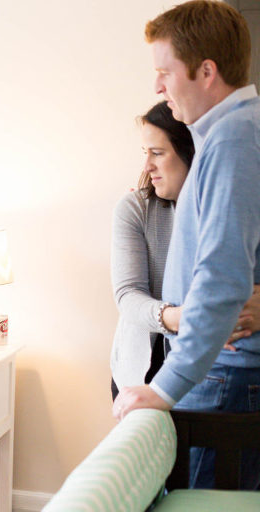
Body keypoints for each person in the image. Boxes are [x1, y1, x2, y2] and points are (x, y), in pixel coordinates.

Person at [113, 0, 260, 489]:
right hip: (222, 374)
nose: (157, 86)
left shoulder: (234, 140)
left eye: (164, 72)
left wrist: (164, 387)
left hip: (225, 378)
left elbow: (221, 279)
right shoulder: (232, 135)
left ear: (206, 71)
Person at [110, 102, 260, 400]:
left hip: (218, 369)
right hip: (144, 369)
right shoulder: (135, 209)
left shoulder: (233, 205)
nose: (147, 166)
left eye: (157, 153)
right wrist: (190, 319)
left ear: (191, 151)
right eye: (145, 153)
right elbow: (128, 296)